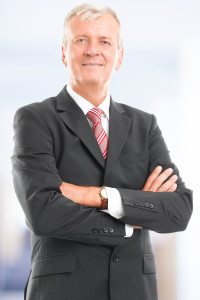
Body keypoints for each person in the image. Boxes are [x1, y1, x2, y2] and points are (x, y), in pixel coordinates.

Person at [11, 3, 193, 300]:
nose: (92, 50)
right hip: (64, 291)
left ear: (119, 56)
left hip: (134, 290)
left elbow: (179, 210)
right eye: (81, 40)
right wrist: (131, 218)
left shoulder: (144, 125)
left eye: (104, 41)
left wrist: (101, 196)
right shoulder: (35, 119)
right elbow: (43, 212)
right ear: (63, 53)